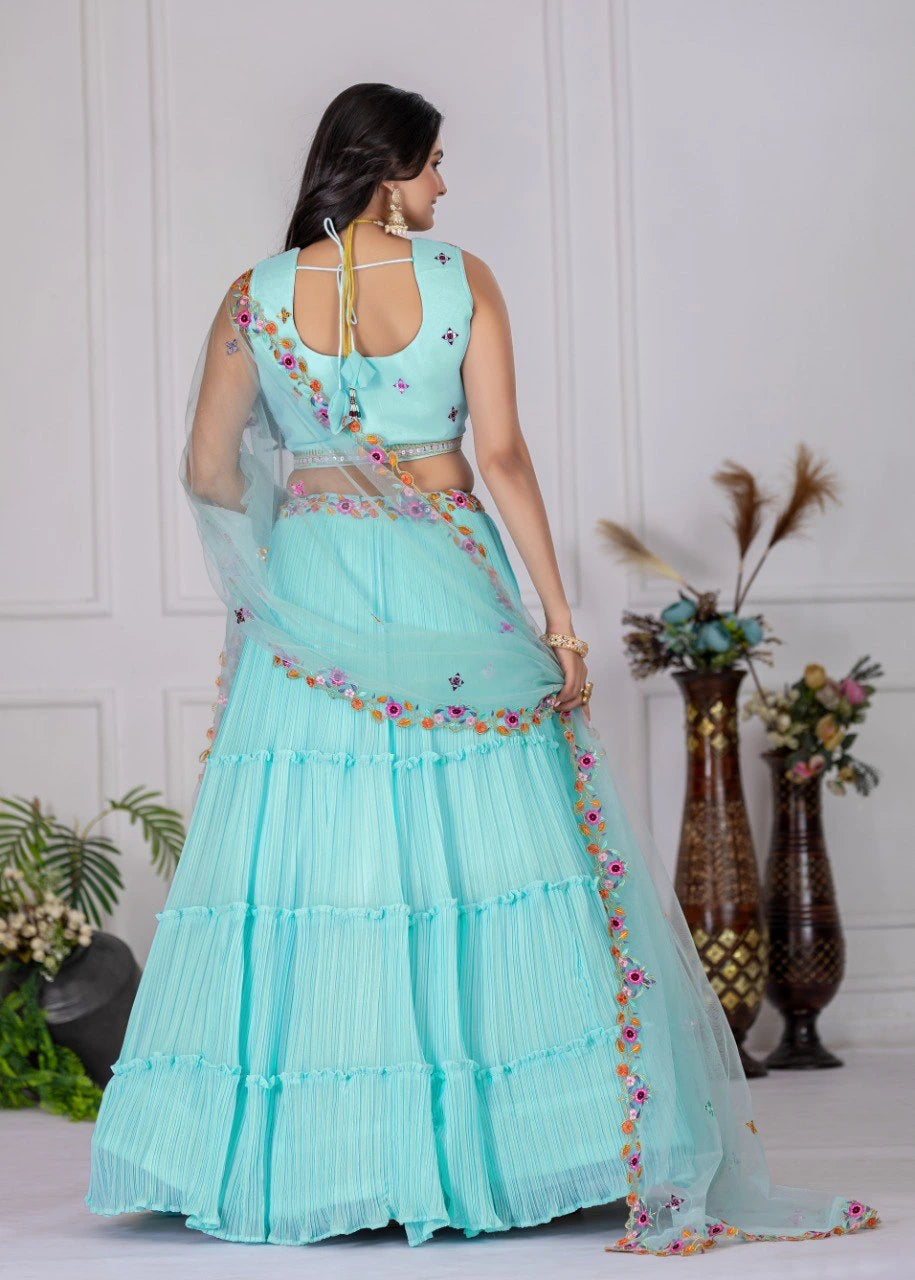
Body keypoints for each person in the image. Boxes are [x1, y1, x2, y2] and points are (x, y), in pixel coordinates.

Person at [84, 82, 880, 1256]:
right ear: (388, 167)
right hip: (451, 581)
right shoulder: (461, 278)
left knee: (319, 858)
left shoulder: (252, 300)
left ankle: (319, 1159)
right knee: (496, 853)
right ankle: (526, 1144)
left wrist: (299, 508)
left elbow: (208, 470)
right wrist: (559, 620)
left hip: (313, 597)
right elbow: (498, 456)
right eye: (436, 164)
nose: (447, 186)